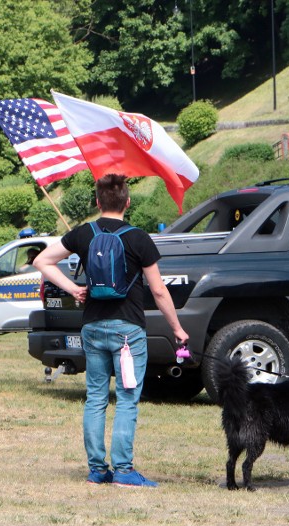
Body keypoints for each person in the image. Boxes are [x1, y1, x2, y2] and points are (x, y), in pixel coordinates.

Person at [34, 174, 188, 488]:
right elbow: (158, 291)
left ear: (97, 202)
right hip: (128, 330)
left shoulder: (83, 234)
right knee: (128, 399)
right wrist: (177, 328)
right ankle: (124, 470)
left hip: (92, 326)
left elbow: (42, 261)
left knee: (95, 399)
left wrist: (74, 289)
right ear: (127, 202)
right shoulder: (139, 238)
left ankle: (97, 470)